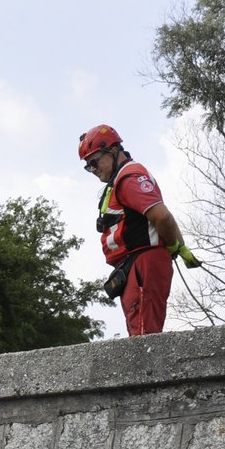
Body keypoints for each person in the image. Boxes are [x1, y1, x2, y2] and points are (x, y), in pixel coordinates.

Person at [78, 124, 195, 337]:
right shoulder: (124, 179)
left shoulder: (129, 178)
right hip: (135, 265)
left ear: (113, 151)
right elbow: (162, 213)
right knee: (140, 330)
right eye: (88, 167)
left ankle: (149, 371)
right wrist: (182, 247)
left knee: (144, 335)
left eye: (94, 162)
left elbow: (161, 216)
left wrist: (172, 245)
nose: (93, 169)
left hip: (144, 262)